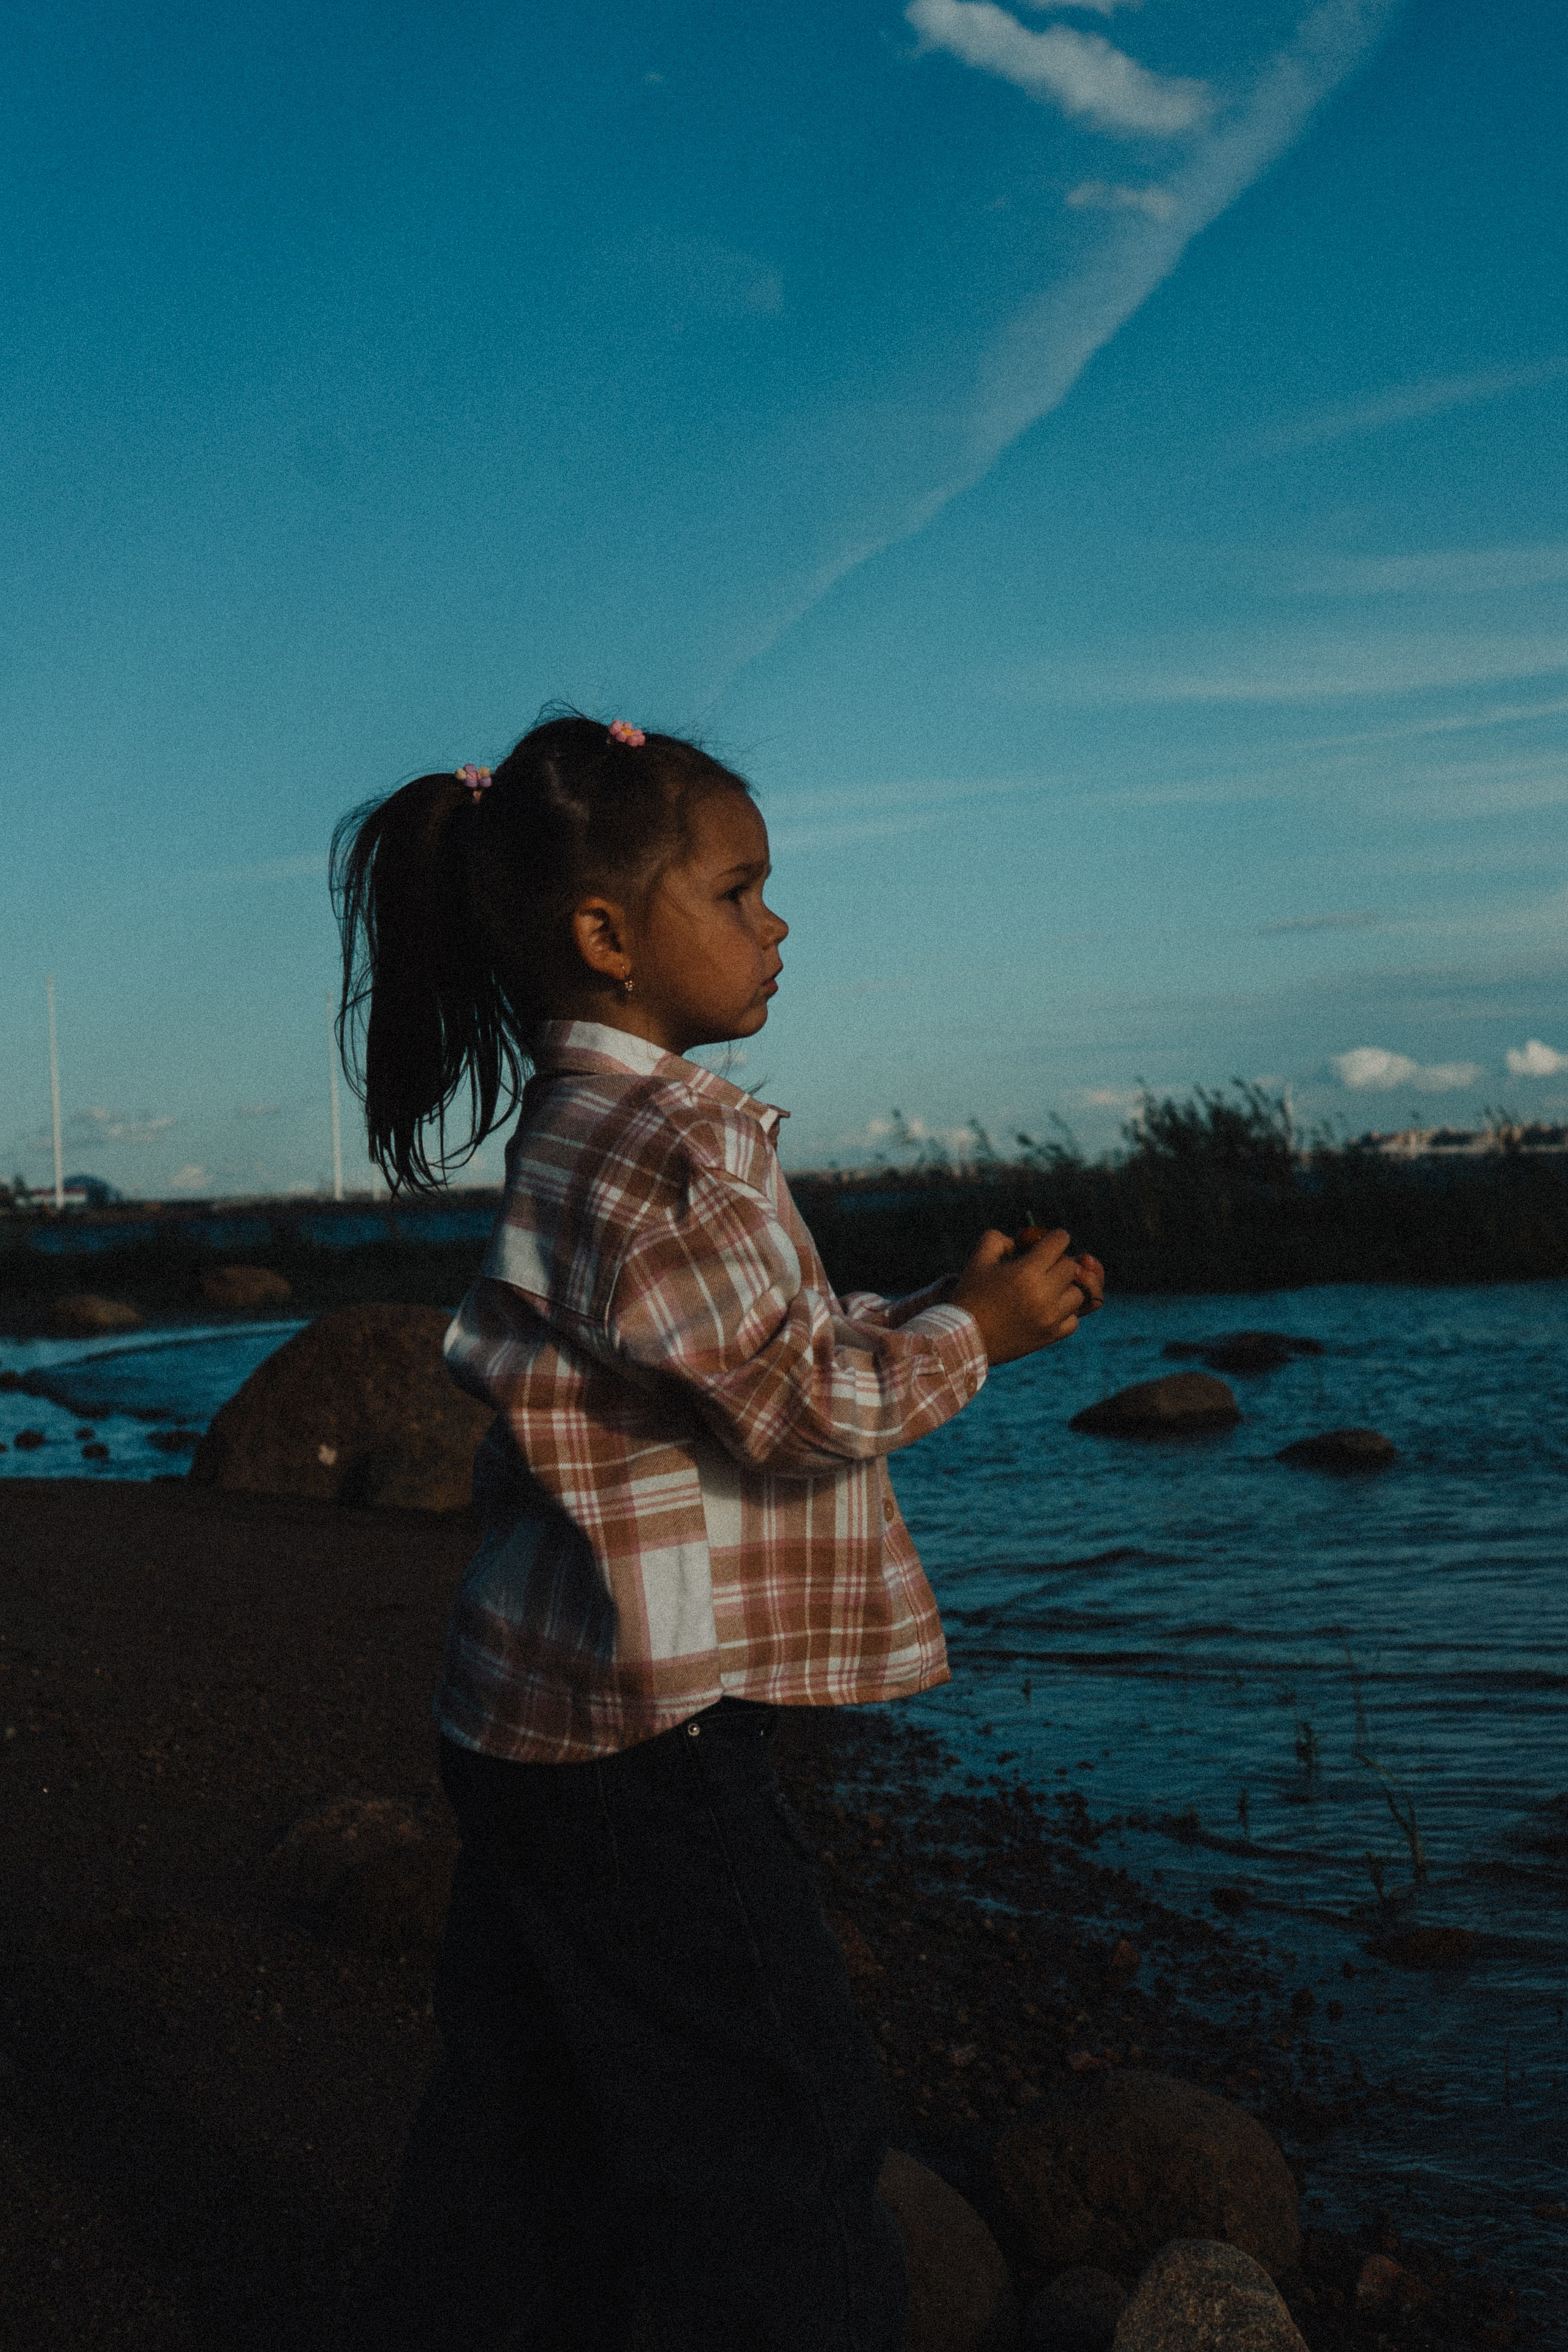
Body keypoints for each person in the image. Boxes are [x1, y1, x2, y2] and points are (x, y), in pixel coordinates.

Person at [333, 712, 1104, 2352]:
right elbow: (795, 1405)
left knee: (525, 2113)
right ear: (609, 937)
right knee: (779, 2126)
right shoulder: (661, 1142)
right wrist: (984, 1334)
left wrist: (929, 1303)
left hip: (546, 1711)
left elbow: (735, 1359)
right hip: (635, 1739)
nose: (776, 924)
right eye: (742, 890)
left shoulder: (614, 1131)